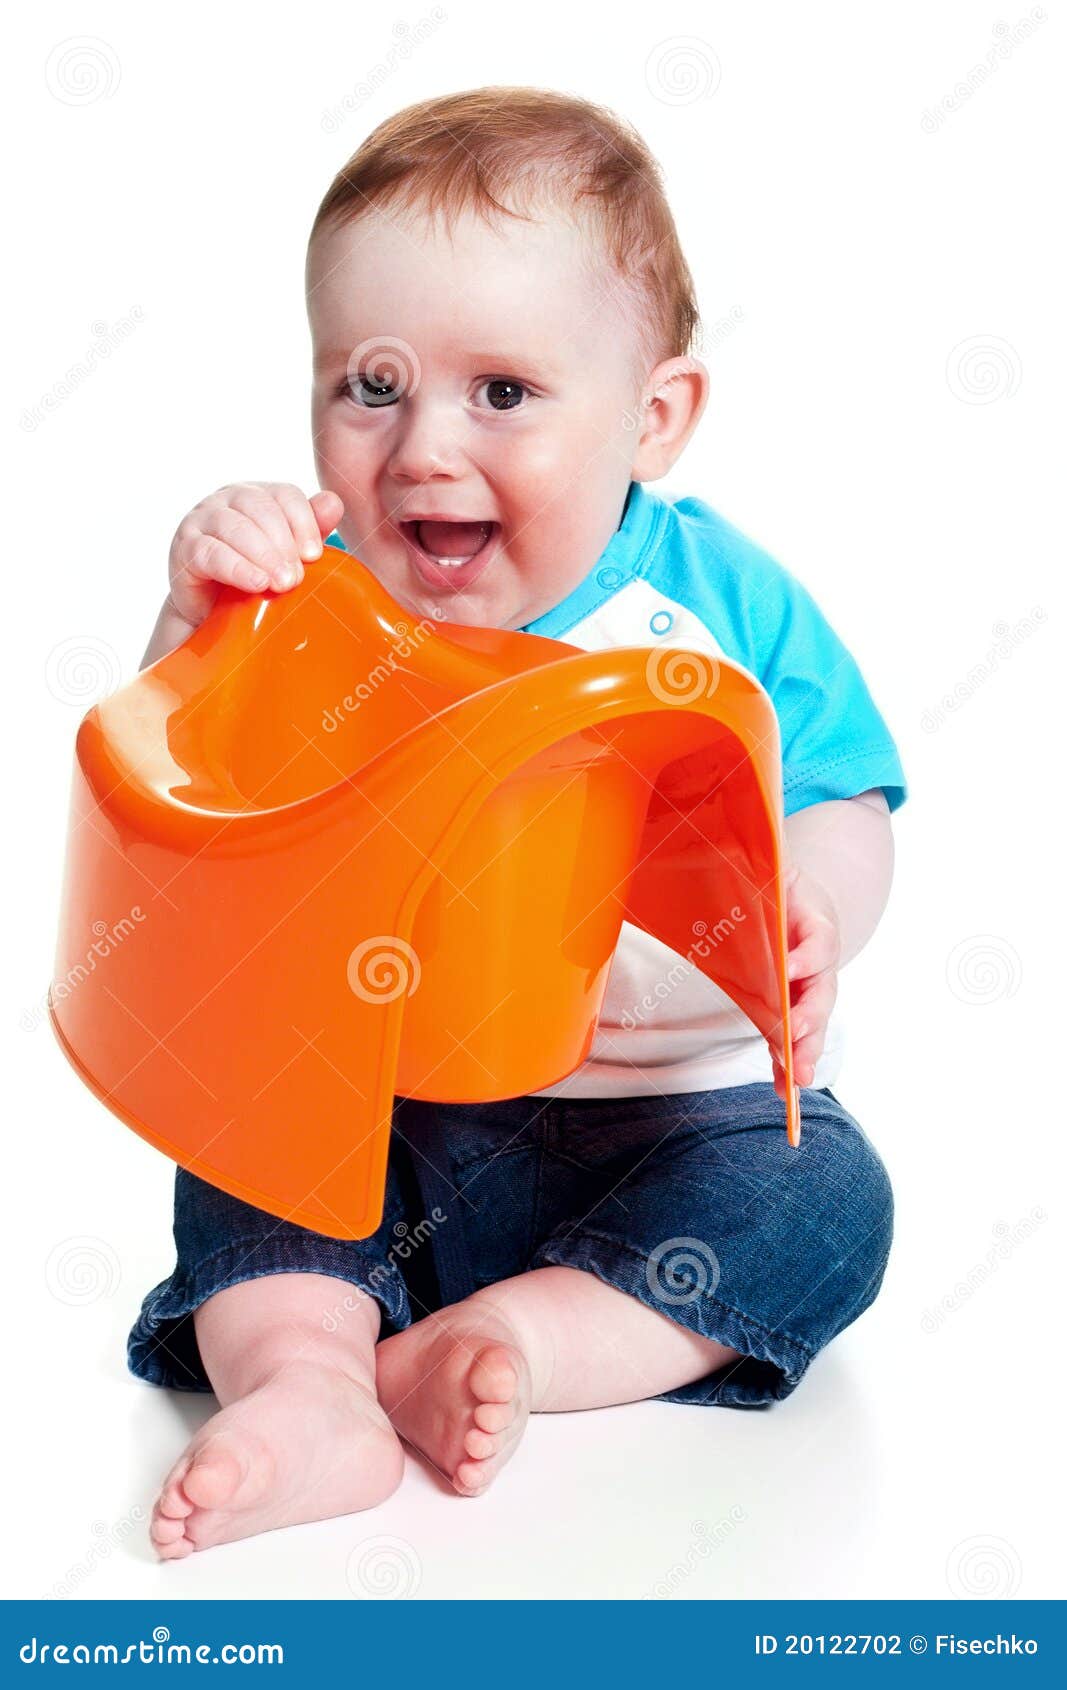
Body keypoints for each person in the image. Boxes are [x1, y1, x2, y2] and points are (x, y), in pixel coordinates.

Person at [131, 87, 906, 1558]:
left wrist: (809, 903)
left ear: (653, 418)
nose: (422, 447)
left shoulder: (726, 608)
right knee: (236, 1125)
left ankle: (516, 1342)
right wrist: (195, 613)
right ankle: (311, 1385)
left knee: (830, 1197)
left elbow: (840, 793)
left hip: (673, 1128)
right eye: (371, 385)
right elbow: (190, 776)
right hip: (396, 1118)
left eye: (502, 393)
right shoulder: (316, 596)